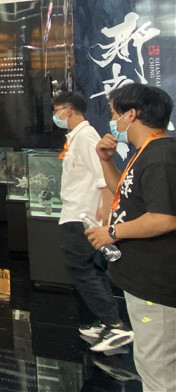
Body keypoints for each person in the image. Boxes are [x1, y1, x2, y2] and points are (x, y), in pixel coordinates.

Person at [85, 84, 176, 391]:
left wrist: (111, 232)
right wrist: (106, 160)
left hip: (157, 286)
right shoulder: (146, 152)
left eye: (115, 114)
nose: (113, 122)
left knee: (157, 369)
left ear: (131, 114)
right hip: (142, 280)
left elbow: (164, 218)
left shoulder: (162, 156)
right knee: (152, 361)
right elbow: (122, 193)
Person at [51, 92, 132, 350]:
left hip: (83, 216)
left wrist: (105, 214)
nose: (55, 116)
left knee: (81, 268)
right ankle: (107, 320)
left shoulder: (86, 136)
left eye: (56, 110)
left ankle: (114, 325)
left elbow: (102, 176)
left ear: (68, 110)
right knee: (89, 268)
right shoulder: (76, 138)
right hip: (75, 213)